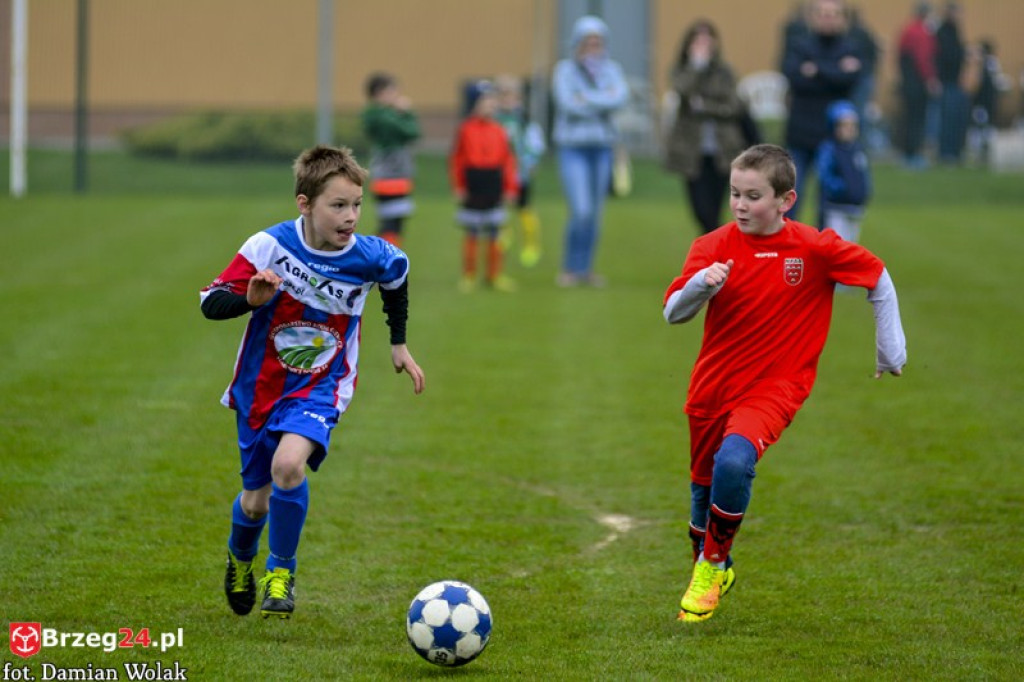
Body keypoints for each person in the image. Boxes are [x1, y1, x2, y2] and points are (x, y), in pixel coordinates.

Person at [662, 144, 906, 623]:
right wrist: (700, 286)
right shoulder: (711, 246)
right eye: (735, 194)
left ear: (785, 200)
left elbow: (877, 276)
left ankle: (711, 566)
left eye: (753, 196)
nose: (739, 205)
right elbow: (673, 313)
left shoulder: (814, 248)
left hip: (777, 386)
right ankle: (713, 563)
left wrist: (889, 349)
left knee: (734, 463)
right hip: (712, 387)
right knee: (703, 489)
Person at [200, 145, 425, 619]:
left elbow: (397, 279)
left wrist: (398, 343)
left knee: (289, 466)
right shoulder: (269, 246)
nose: (351, 216)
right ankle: (241, 558)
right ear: (305, 203)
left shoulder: (371, 255)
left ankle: (281, 573)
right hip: (260, 386)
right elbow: (210, 303)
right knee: (255, 501)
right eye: (338, 206)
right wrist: (250, 298)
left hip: (322, 384)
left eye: (357, 205)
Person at [551, 15, 629, 288]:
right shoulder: (564, 70)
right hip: (573, 148)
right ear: (578, 42)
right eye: (588, 40)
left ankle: (586, 269)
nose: (593, 45)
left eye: (598, 40)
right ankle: (569, 267)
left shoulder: (612, 69)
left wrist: (586, 98)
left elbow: (620, 98)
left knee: (595, 212)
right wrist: (601, 100)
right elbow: (567, 104)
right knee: (580, 209)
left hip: (602, 147)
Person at [664, 19, 749, 235]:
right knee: (700, 211)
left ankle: (713, 258)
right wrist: (696, 67)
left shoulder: (724, 72)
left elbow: (733, 106)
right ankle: (717, 253)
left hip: (722, 150)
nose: (703, 45)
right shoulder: (682, 70)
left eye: (706, 39)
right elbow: (682, 91)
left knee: (713, 210)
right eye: (698, 40)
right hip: (692, 152)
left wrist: (703, 106)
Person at [781, 0, 863, 224]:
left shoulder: (851, 48)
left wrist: (816, 70)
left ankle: (823, 253)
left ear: (843, 19)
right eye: (823, 13)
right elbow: (794, 77)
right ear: (813, 17)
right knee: (790, 198)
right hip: (800, 134)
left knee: (829, 202)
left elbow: (850, 80)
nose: (828, 18)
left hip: (833, 139)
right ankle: (787, 249)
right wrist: (835, 70)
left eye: (834, 14)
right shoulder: (799, 46)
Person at [450, 80, 519, 293]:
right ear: (474, 105)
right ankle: (469, 275)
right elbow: (457, 159)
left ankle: (494, 275)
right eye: (485, 101)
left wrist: (510, 188)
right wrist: (459, 185)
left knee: (495, 230)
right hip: (474, 181)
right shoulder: (465, 129)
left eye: (492, 101)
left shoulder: (500, 130)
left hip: (494, 182)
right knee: (472, 230)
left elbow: (508, 161)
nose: (490, 105)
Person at [361, 72, 421, 247]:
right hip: (388, 176)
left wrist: (405, 114)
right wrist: (406, 113)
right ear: (380, 93)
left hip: (400, 175)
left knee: (397, 224)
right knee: (390, 224)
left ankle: (386, 259)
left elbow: (414, 132)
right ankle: (384, 260)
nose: (396, 96)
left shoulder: (385, 114)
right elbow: (410, 131)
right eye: (392, 91)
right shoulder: (378, 115)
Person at [494, 74, 547, 268]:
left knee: (524, 208)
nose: (507, 100)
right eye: (503, 95)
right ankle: (501, 240)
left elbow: (535, 144)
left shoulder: (525, 121)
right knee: (499, 208)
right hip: (498, 174)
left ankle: (531, 245)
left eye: (511, 95)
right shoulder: (494, 119)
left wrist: (531, 162)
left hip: (519, 173)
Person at [817, 100, 871, 243]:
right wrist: (842, 190)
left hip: (855, 207)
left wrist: (864, 192)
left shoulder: (857, 149)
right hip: (836, 207)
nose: (849, 129)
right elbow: (825, 176)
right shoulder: (829, 150)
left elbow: (863, 174)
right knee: (836, 244)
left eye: (852, 125)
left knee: (852, 246)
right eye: (844, 125)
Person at [896, 2, 940, 169]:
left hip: (908, 82)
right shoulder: (921, 32)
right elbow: (923, 58)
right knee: (917, 119)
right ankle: (913, 155)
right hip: (918, 83)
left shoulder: (907, 29)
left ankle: (907, 154)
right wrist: (930, 79)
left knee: (909, 118)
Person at [935, 2, 968, 163]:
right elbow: (946, 56)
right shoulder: (942, 32)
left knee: (956, 118)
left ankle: (955, 152)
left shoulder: (955, 31)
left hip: (955, 81)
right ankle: (946, 153)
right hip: (946, 81)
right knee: (947, 119)